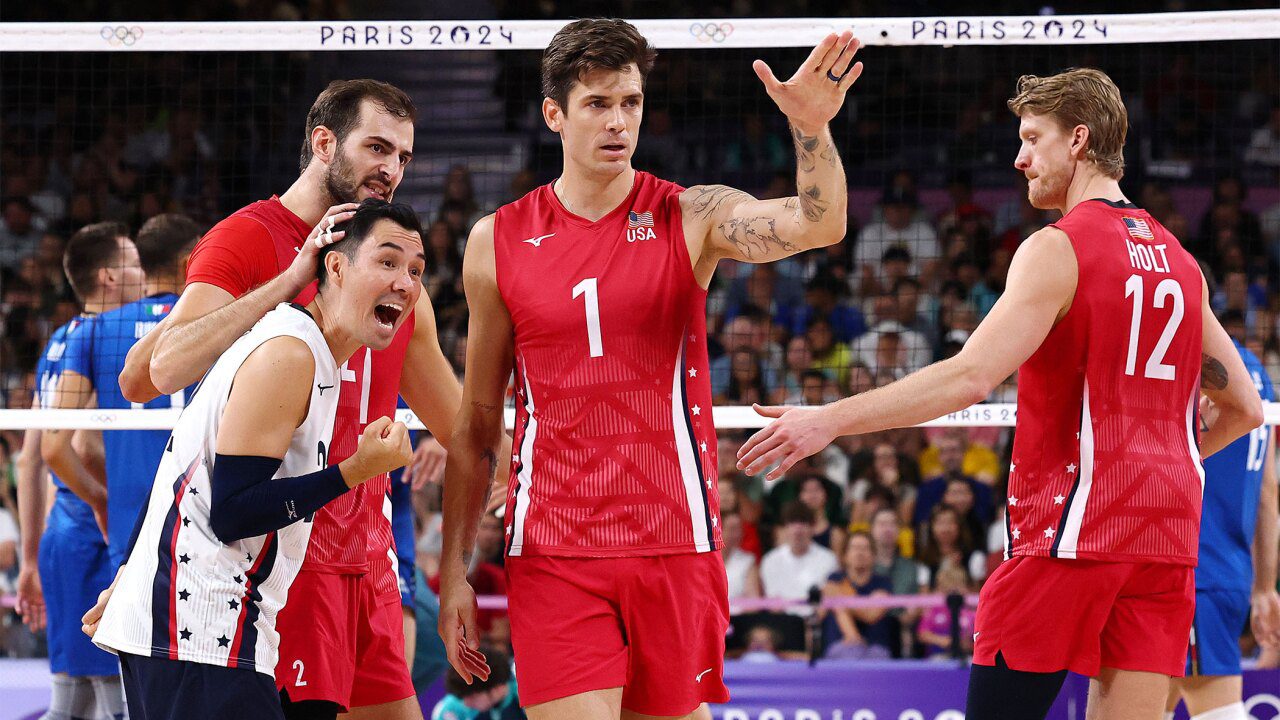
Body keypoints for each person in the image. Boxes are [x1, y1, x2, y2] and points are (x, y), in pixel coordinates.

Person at [737, 68, 1265, 719]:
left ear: (1077, 140)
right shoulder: (1182, 263)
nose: (1018, 158)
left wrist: (828, 421)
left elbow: (970, 376)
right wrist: (1158, 462)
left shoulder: (1058, 247)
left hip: (1072, 533)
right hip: (1165, 536)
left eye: (1031, 139)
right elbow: (1243, 407)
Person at [441, 18, 863, 720]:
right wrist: (455, 570)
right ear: (555, 115)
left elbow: (818, 225)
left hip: (673, 540)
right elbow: (480, 417)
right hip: (554, 548)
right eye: (598, 104)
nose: (617, 122)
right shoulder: (497, 240)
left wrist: (811, 130)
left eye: (630, 103)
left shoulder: (688, 214)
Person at [118, 79, 496, 720]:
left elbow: (468, 432)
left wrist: (460, 568)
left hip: (369, 560)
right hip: (280, 558)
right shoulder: (250, 237)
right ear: (324, 143)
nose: (392, 170)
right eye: (378, 148)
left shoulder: (398, 274)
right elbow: (149, 375)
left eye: (404, 156)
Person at [85, 199, 420, 720]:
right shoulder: (289, 352)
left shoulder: (314, 353)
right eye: (388, 262)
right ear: (334, 266)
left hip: (208, 624)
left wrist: (131, 569)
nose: (405, 283)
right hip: (196, 624)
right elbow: (233, 512)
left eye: (416, 271)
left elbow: (184, 466)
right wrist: (354, 471)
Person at [21, 221, 144, 720]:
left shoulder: (58, 339)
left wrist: (32, 556)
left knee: (71, 702)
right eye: (135, 264)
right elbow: (80, 446)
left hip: (59, 534)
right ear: (110, 278)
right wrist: (106, 501)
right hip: (96, 531)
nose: (146, 275)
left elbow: (30, 456)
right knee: (109, 707)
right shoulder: (104, 340)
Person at [44, 214, 202, 569]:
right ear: (190, 260)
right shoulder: (219, 320)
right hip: (199, 521)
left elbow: (54, 446)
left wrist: (102, 500)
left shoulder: (95, 329)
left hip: (128, 521)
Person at [1167, 336, 1279, 720]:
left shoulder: (1187, 360)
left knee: (1217, 712)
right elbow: (1267, 494)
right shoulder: (1257, 373)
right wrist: (1264, 587)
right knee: (1140, 706)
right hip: (1225, 574)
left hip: (1196, 573)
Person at [821, 531, 894, 659]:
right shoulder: (834, 579)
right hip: (840, 646)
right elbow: (819, 613)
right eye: (854, 548)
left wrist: (842, 599)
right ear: (844, 555)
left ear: (874, 555)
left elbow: (871, 615)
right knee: (850, 654)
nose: (859, 553)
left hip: (876, 647)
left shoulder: (883, 582)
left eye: (865, 548)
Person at [431, 646, 522, 720]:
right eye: (461, 696)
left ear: (497, 689)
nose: (466, 703)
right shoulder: (452, 710)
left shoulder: (524, 697)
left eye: (472, 697)